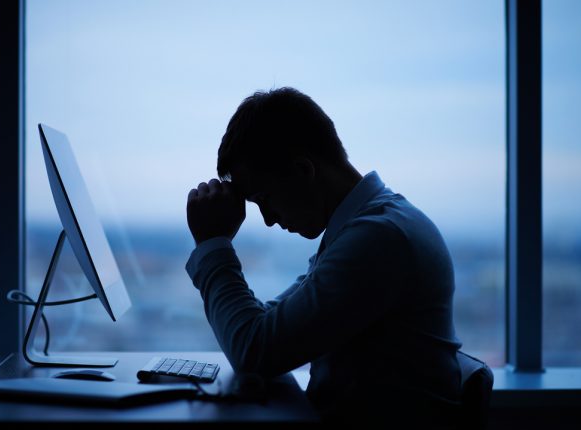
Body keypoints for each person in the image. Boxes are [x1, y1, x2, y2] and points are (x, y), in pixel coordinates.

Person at [185, 87, 462, 424]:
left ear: (303, 170)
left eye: (264, 198)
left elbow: (254, 350)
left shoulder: (379, 240)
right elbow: (267, 331)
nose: (269, 219)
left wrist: (213, 243)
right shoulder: (369, 228)